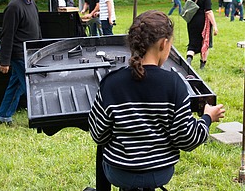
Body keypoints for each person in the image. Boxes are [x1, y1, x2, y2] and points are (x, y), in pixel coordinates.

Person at [88, 10, 225, 190]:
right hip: (159, 172)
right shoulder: (174, 84)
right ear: (163, 44)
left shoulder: (111, 83)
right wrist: (207, 118)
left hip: (119, 173)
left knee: (103, 150)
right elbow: (186, 139)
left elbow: (98, 134)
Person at [0, 0, 42, 125]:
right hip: (19, 55)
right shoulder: (14, 6)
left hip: (31, 53)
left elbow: (36, 28)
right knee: (32, 87)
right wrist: (5, 61)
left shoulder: (31, 3)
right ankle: (41, 118)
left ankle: (3, 116)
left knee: (16, 85)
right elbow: (7, 35)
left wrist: (39, 49)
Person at [186, 0, 218, 69]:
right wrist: (215, 26)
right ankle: (202, 66)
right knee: (205, 43)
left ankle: (188, 60)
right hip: (203, 23)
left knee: (192, 42)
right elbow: (209, 12)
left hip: (191, 22)